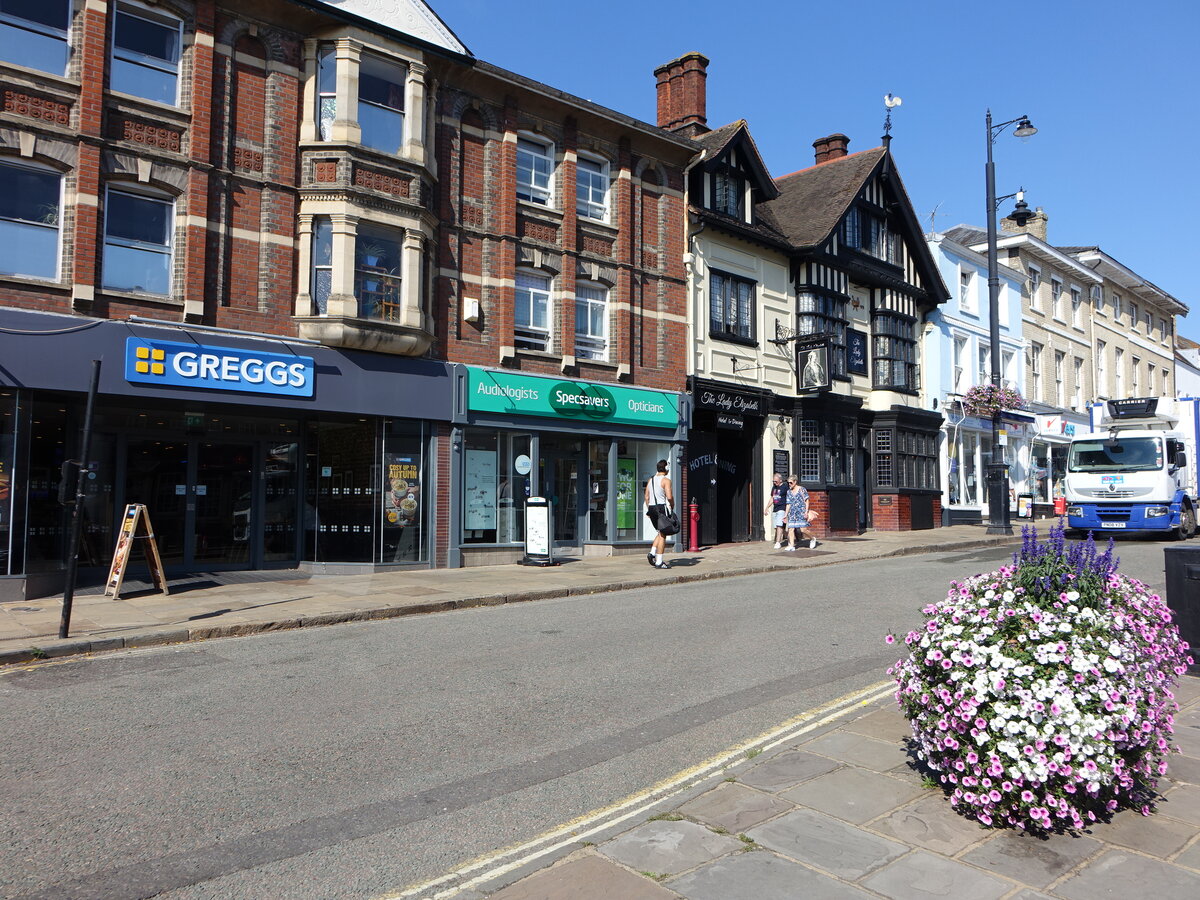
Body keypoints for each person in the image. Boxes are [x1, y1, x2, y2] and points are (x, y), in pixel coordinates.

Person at [643, 459, 673, 569]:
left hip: (651, 508)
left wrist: (649, 509)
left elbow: (646, 496)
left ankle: (652, 553)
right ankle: (659, 561)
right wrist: (672, 505)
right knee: (663, 534)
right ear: (666, 469)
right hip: (661, 508)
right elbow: (669, 497)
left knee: (660, 532)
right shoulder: (666, 480)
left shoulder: (650, 480)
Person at [784, 475, 819, 550]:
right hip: (792, 513)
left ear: (795, 482)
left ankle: (812, 538)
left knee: (803, 530)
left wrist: (806, 511)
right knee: (791, 529)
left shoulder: (802, 489)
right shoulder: (788, 492)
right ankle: (792, 546)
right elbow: (788, 504)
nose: (789, 484)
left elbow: (806, 501)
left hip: (801, 512)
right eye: (788, 483)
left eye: (791, 483)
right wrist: (785, 515)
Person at [764, 471, 787, 549]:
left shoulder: (785, 487)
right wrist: (767, 507)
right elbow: (772, 498)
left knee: (779, 526)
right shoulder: (774, 487)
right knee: (776, 527)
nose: (774, 482)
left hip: (782, 508)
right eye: (773, 481)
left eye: (776, 481)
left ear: (780, 480)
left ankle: (778, 542)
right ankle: (789, 537)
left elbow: (790, 497)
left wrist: (788, 510)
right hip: (775, 509)